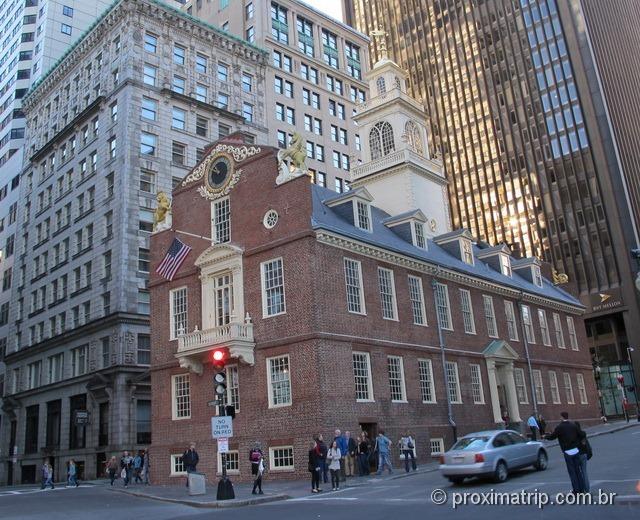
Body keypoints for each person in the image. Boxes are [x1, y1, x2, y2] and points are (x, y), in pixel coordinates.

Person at [545, 411, 589, 493]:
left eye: (560, 417)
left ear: (562, 417)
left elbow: (552, 436)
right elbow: (582, 434)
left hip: (567, 451)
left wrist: (546, 437)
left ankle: (576, 490)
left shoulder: (559, 427)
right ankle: (582, 489)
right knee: (578, 471)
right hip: (576, 450)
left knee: (572, 472)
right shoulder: (573, 425)